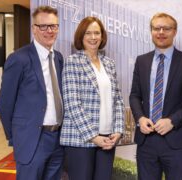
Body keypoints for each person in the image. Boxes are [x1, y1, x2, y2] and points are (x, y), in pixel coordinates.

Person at [129, 12, 182, 180]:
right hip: (146, 141)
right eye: (157, 28)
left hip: (175, 140)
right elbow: (134, 95)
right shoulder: (142, 61)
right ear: (151, 31)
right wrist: (140, 118)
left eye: (166, 28)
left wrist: (172, 121)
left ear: (174, 32)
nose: (161, 32)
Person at [0, 6, 64, 180]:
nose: (49, 31)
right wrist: (16, 138)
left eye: (54, 26)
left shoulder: (58, 58)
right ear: (34, 28)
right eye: (44, 26)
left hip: (58, 139)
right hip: (32, 140)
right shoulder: (19, 58)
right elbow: (5, 104)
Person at [60, 16, 124, 180]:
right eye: (88, 33)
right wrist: (94, 137)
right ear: (81, 36)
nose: (93, 37)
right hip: (81, 140)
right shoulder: (73, 61)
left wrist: (118, 130)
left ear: (102, 36)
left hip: (108, 139)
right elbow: (72, 103)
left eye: (97, 33)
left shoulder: (109, 63)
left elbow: (117, 99)